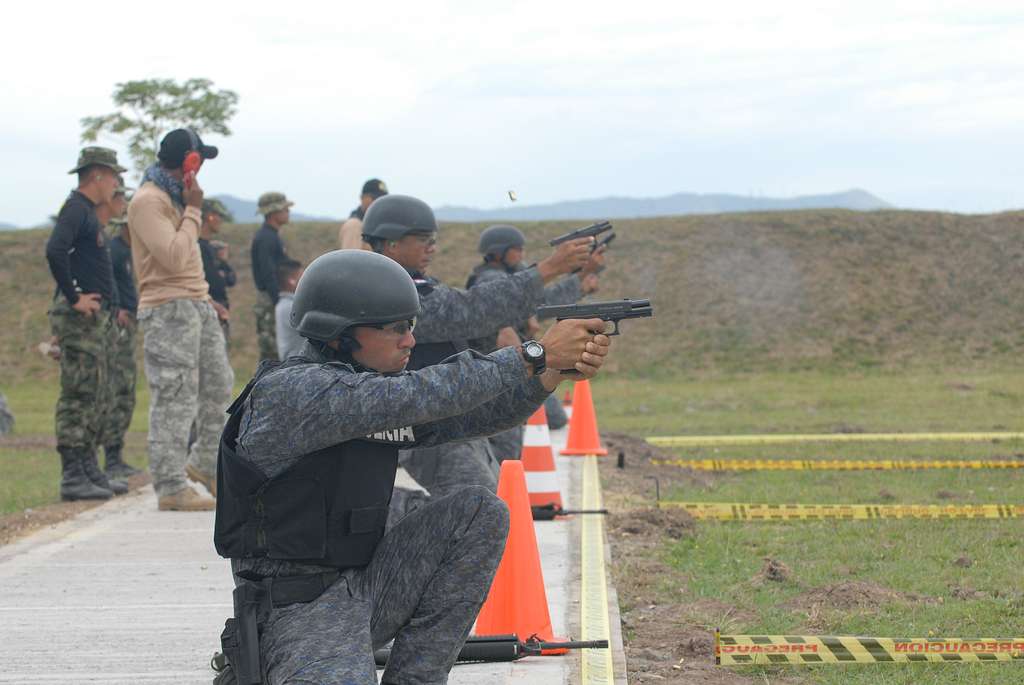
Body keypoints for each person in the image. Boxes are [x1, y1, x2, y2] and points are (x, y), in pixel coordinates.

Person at [212, 249, 611, 684]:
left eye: (411, 326)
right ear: (342, 333)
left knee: (478, 512)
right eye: (396, 328)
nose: (410, 340)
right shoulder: (293, 392)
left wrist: (549, 373)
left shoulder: (363, 391)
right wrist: (533, 353)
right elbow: (422, 394)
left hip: (365, 588)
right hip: (297, 613)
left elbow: (464, 417)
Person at [359, 195, 594, 516]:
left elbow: (471, 320)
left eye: (434, 240)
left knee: (491, 503)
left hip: (448, 415)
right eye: (424, 240)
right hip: (427, 423)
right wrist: (550, 269)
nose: (432, 248)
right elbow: (468, 311)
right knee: (479, 510)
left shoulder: (410, 283)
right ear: (390, 243)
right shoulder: (383, 290)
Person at [127, 128, 234, 511]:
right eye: (199, 158)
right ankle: (170, 485)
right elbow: (173, 256)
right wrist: (193, 210)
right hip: (168, 307)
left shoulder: (172, 198)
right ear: (190, 161)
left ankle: (204, 464)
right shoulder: (148, 201)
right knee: (174, 396)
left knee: (220, 386)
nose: (201, 166)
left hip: (195, 303)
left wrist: (207, 300)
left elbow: (188, 258)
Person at [467, 224, 604, 459]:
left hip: (514, 363)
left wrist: (580, 280)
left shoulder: (502, 278)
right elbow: (533, 306)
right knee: (518, 435)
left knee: (550, 417)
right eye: (516, 249)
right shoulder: (491, 279)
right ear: (499, 252)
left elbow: (540, 302)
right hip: (502, 366)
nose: (521, 254)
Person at [45, 147, 128, 501]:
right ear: (97, 175)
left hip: (96, 320)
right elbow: (54, 249)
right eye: (113, 177)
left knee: (96, 393)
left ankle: (88, 466)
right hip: (80, 319)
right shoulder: (76, 209)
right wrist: (74, 296)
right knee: (79, 394)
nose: (115, 184)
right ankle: (72, 473)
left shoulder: (89, 215)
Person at [100, 181, 143, 480]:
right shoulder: (115, 250)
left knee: (127, 391)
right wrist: (118, 310)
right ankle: (111, 457)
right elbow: (109, 284)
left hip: (129, 321)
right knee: (119, 389)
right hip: (119, 325)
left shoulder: (125, 251)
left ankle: (116, 455)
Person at [251, 192, 294, 361]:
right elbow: (268, 273)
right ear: (274, 212)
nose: (288, 212)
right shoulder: (266, 238)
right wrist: (278, 301)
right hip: (270, 300)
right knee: (271, 353)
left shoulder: (272, 236)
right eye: (285, 209)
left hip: (274, 299)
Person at [199, 199, 236, 340]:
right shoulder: (200, 247)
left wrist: (223, 263)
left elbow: (231, 279)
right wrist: (222, 276)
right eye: (219, 216)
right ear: (210, 217)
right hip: (210, 311)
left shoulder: (211, 248)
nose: (220, 221)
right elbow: (216, 282)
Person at [338, 178, 388, 249]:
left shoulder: (379, 226)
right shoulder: (354, 226)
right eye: (375, 198)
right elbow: (350, 258)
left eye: (382, 200)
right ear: (362, 198)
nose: (379, 203)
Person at [273, 258, 304, 359]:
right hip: (298, 369)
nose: (306, 280)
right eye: (302, 277)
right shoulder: (290, 307)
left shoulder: (285, 305)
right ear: (292, 281)